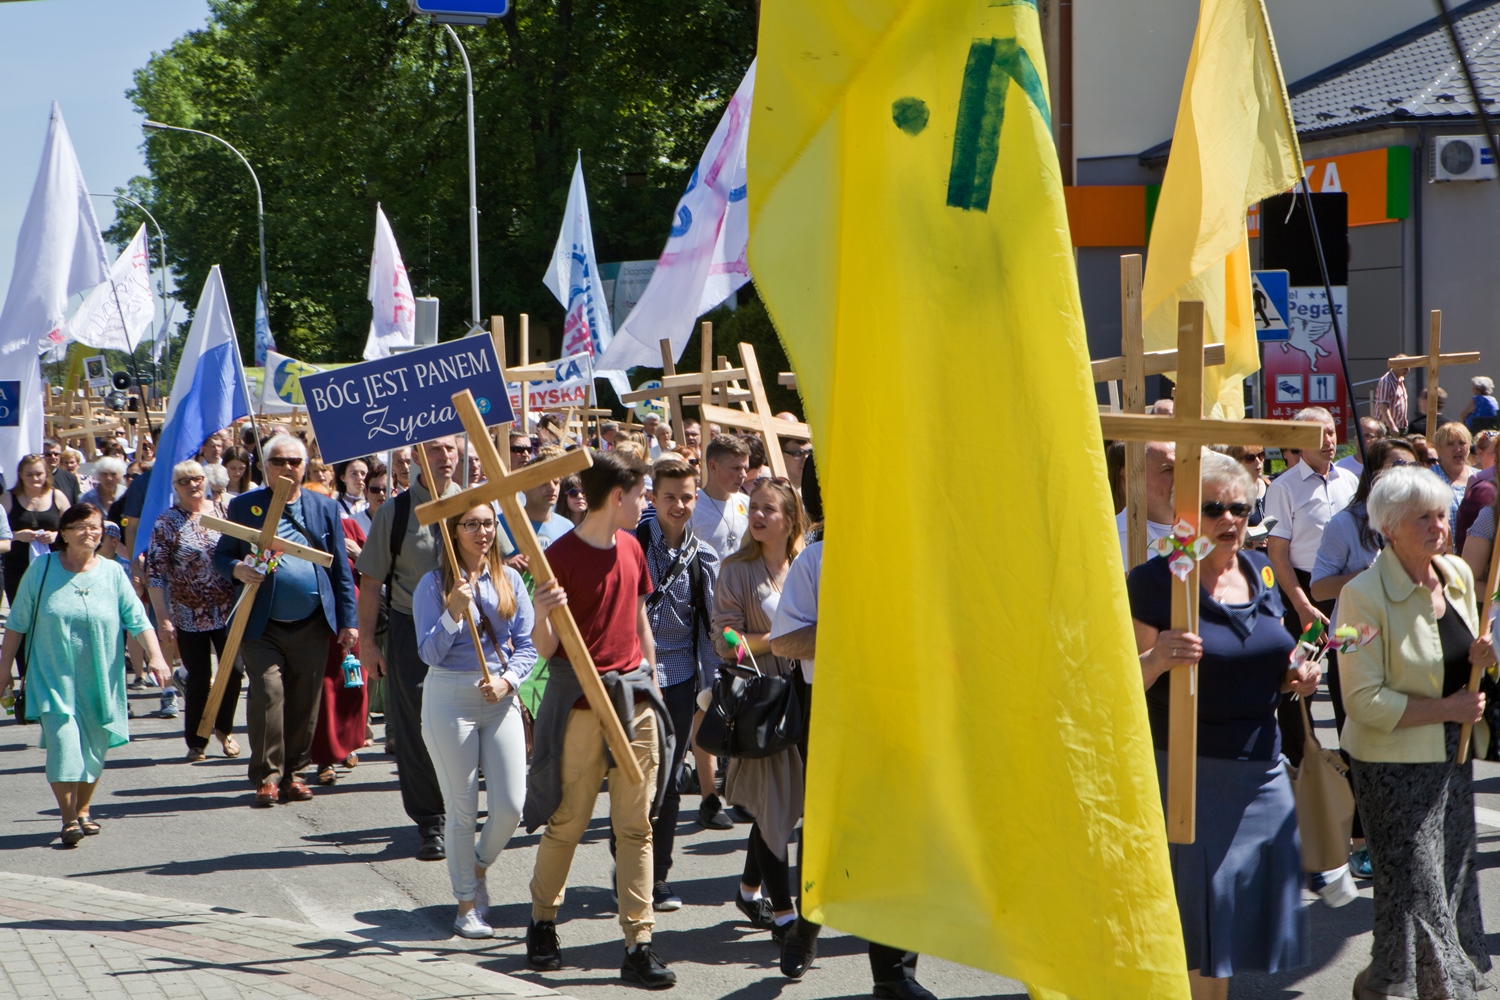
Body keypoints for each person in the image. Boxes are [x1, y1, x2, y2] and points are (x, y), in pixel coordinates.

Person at [1129, 451, 1315, 998]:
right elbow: (1119, 685)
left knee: (1230, 923)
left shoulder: (1259, 571)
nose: (1229, 519)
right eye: (1213, 509)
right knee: (1201, 921)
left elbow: (1270, 656)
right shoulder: (1154, 581)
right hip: (1190, 770)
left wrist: (1295, 675)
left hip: (1262, 772)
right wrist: (1157, 657)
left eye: (1240, 508)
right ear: (1185, 514)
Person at [1336, 465, 1495, 999]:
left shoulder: (1456, 575)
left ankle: (1385, 981)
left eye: (1442, 515)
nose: (1439, 527)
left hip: (1453, 754)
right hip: (1392, 766)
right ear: (1389, 527)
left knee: (1445, 883)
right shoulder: (1360, 596)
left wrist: (1486, 660)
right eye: (1423, 518)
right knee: (1418, 892)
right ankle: (1438, 989)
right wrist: (1447, 706)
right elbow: (1361, 701)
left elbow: (1466, 660)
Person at [523, 450, 676, 988]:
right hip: (580, 707)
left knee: (636, 826)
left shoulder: (633, 546)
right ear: (617, 496)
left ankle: (639, 944)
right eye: (640, 495)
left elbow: (639, 622)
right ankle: (542, 922)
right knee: (568, 820)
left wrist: (652, 683)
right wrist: (543, 609)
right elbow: (545, 649)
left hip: (634, 700)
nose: (645, 503)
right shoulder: (558, 556)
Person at [769, 526, 936, 999]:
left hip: (905, 705)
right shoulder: (817, 559)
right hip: (835, 710)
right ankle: (807, 923)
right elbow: (784, 640)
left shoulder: (913, 552)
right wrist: (857, 631)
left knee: (901, 835)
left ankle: (894, 973)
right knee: (831, 831)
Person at [0, 503, 171, 846]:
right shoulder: (42, 569)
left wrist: (156, 656)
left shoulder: (112, 573)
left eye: (95, 527)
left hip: (101, 677)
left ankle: (83, 810)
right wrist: (4, 670)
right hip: (52, 676)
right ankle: (68, 819)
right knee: (64, 744)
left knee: (94, 746)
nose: (89, 532)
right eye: (80, 526)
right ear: (63, 534)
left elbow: (137, 619)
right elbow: (17, 623)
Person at [213, 435, 359, 808]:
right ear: (264, 466)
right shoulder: (244, 506)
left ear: (304, 466)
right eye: (278, 461)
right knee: (268, 694)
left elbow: (341, 569)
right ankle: (267, 777)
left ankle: (296, 774)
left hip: (312, 622)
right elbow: (222, 556)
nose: (287, 468)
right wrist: (238, 568)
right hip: (262, 623)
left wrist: (349, 620)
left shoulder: (324, 506)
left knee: (305, 700)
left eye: (294, 461)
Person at [413, 502, 537, 939]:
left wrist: (508, 680)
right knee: (462, 809)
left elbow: (527, 645)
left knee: (511, 807)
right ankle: (466, 904)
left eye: (488, 523)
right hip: (449, 698)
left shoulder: (510, 580)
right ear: (454, 531)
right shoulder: (433, 584)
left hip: (499, 696)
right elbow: (428, 654)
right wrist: (452, 612)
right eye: (471, 525)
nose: (482, 532)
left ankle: (478, 865)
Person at [1309, 437, 1420, 879]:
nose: (1408, 472)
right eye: (1397, 465)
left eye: (1413, 465)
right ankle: (1361, 842)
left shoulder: (1418, 523)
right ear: (1373, 474)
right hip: (1355, 647)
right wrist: (1369, 576)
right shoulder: (1345, 524)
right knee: (1360, 745)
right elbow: (1320, 586)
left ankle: (1403, 837)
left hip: (1406, 647)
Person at [712, 477, 810, 950]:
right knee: (775, 803)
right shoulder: (736, 570)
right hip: (763, 698)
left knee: (789, 802)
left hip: (807, 692)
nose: (757, 515)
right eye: (753, 507)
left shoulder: (806, 563)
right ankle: (785, 915)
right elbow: (725, 640)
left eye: (768, 509)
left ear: (790, 519)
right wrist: (778, 641)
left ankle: (749, 889)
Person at [354, 436, 464, 860]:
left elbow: (502, 565)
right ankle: (431, 821)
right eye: (434, 449)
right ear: (416, 457)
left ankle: (463, 811)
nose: (444, 456)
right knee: (419, 728)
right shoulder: (395, 513)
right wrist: (367, 643)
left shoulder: (475, 505)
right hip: (412, 630)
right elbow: (370, 582)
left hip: (468, 633)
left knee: (467, 722)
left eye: (450, 449)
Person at [632, 458, 725, 910]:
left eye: (687, 497)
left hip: (681, 678)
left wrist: (714, 683)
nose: (679, 505)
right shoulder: (631, 546)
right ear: (653, 497)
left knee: (669, 780)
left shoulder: (704, 557)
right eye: (669, 496)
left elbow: (708, 629)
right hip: (632, 676)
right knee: (634, 779)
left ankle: (658, 876)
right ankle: (629, 864)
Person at [146, 461, 241, 762]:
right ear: (176, 487)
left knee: (234, 671)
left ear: (206, 480)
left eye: (197, 479)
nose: (192, 485)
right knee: (200, 677)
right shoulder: (167, 522)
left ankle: (225, 729)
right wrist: (163, 618)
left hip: (228, 609)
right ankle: (197, 741)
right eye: (184, 481)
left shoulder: (223, 512)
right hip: (189, 612)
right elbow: (155, 573)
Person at [312, 514, 370, 785]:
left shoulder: (350, 527)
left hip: (354, 620)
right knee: (326, 689)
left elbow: (375, 570)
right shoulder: (306, 528)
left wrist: (357, 553)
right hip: (320, 620)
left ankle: (347, 744)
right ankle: (325, 758)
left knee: (354, 684)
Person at [503, 444, 574, 552]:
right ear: (524, 487)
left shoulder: (567, 527)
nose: (552, 488)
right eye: (544, 483)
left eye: (556, 482)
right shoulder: (501, 524)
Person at [1116, 441, 1176, 569]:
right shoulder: (1108, 537)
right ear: (1134, 476)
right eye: (1168, 470)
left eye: (1184, 468)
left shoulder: (1211, 534)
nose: (1181, 477)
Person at [692, 434, 750, 559]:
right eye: (736, 468)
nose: (743, 475)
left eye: (745, 469)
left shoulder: (748, 504)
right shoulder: (693, 508)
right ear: (713, 466)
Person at [1432, 422, 1475, 531]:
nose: (1457, 449)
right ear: (1438, 449)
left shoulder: (1480, 477)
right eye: (1450, 444)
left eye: (1462, 443)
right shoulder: (1429, 478)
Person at [43, 438, 80, 505]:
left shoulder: (71, 478)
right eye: (48, 454)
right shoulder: (35, 478)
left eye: (56, 454)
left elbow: (77, 505)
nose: (53, 457)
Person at [1376, 365, 1410, 435]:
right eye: (1404, 367)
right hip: (1387, 428)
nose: (1407, 370)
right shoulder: (1386, 381)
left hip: (1399, 426)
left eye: (1409, 367)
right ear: (1396, 366)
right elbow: (1383, 406)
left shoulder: (1400, 380)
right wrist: (1391, 426)